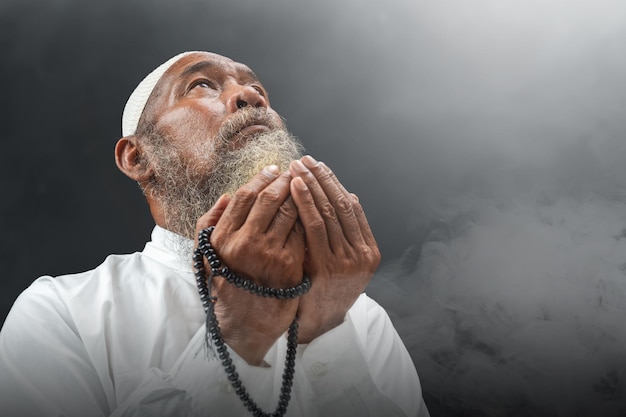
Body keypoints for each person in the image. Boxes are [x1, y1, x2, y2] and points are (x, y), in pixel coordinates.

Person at [0, 51, 430, 417]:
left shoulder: (358, 315)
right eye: (202, 85)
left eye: (258, 89)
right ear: (137, 155)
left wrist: (329, 333)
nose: (251, 97)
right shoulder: (63, 313)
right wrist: (238, 334)